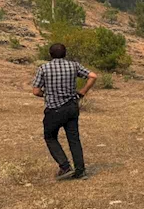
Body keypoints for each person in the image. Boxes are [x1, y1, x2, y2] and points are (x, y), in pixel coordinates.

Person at [32, 43, 98, 180]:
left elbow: (36, 91)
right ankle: (80, 171)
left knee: (50, 137)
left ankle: (65, 166)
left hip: (54, 109)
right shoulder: (74, 66)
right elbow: (93, 76)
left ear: (50, 54)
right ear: (65, 53)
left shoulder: (43, 68)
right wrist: (82, 92)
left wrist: (46, 94)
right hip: (71, 107)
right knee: (74, 139)